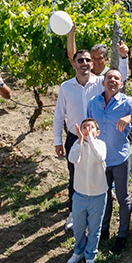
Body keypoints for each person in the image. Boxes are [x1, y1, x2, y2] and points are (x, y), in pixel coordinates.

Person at [87, 68, 132, 254]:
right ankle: (104, 230)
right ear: (103, 82)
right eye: (109, 78)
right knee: (104, 196)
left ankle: (122, 235)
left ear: (121, 84)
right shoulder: (93, 103)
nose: (112, 81)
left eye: (117, 78)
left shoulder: (127, 103)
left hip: (120, 159)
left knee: (123, 198)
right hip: (100, 160)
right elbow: (89, 125)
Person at [54, 48, 103, 232]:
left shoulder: (100, 83)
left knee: (97, 175)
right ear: (73, 64)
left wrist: (123, 57)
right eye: (80, 60)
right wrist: (57, 140)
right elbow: (59, 115)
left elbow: (121, 79)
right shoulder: (66, 87)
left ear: (93, 64)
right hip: (75, 139)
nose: (84, 63)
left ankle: (96, 214)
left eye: (87, 60)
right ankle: (74, 214)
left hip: (97, 139)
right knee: (75, 177)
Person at [66, 117, 107, 263]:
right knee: (78, 226)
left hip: (98, 195)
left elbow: (99, 157)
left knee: (95, 229)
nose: (87, 129)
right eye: (84, 127)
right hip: (80, 194)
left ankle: (90, 256)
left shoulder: (101, 145)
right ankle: (79, 251)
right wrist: (81, 141)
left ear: (97, 132)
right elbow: (72, 159)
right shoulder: (78, 145)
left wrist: (89, 138)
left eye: (90, 127)